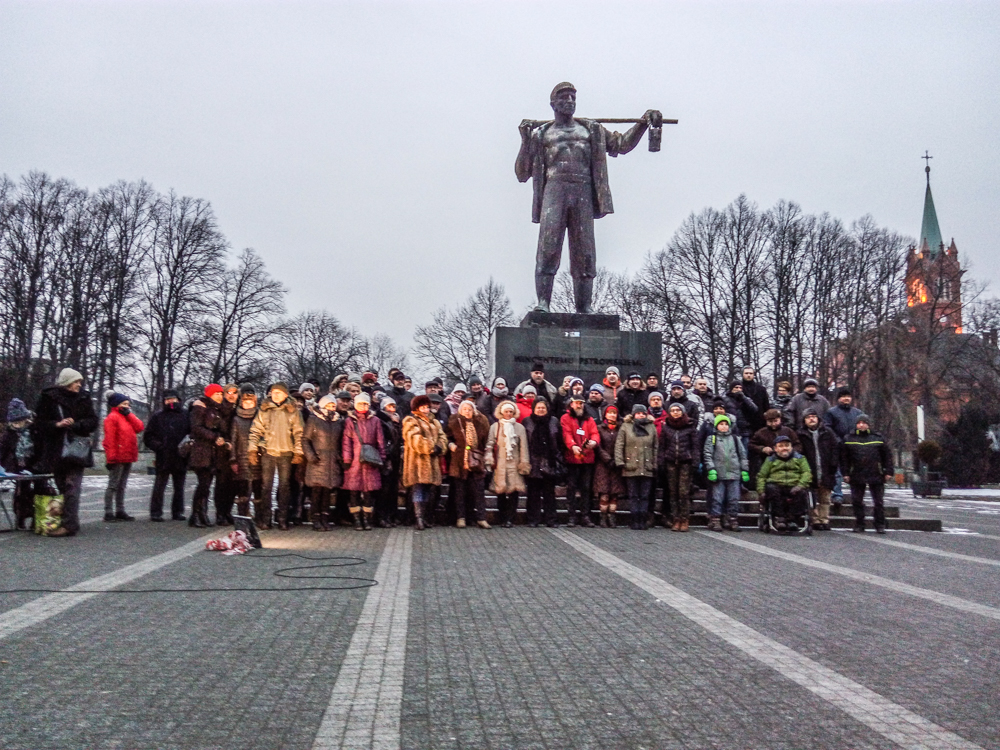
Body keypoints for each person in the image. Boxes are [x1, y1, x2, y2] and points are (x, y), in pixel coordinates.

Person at [32, 368, 98, 536]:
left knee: (72, 487)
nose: (79, 384)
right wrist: (57, 424)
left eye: (80, 382)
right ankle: (63, 520)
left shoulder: (84, 398)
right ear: (67, 382)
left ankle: (69, 525)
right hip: (55, 449)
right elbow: (39, 423)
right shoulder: (48, 398)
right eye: (76, 381)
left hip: (77, 450)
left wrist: (76, 425)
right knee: (62, 487)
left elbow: (93, 421)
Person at [248, 382, 304, 530]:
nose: (275, 395)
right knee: (266, 486)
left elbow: (299, 432)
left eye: (279, 392)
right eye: (273, 392)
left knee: (284, 486)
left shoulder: (292, 411)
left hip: (286, 452)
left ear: (286, 395)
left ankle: (282, 518)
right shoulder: (265, 410)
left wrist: (298, 451)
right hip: (268, 452)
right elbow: (255, 430)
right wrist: (252, 449)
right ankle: (266, 518)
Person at [840, 414, 894, 534]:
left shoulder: (878, 438)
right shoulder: (848, 438)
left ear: (868, 424)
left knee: (878, 501)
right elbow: (844, 458)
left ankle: (880, 524)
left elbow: (887, 456)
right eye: (859, 423)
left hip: (876, 473)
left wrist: (888, 471)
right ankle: (860, 523)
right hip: (856, 473)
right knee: (857, 501)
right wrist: (845, 473)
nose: (861, 425)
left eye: (864, 423)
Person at [402, 394, 448, 530]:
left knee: (428, 491)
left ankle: (425, 517)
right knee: (418, 490)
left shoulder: (434, 421)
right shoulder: (411, 420)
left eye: (427, 407)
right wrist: (431, 447)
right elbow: (413, 438)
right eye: (423, 407)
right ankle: (419, 518)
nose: (426, 409)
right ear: (417, 408)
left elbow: (442, 436)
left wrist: (441, 446)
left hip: (432, 463)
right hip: (417, 463)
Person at [342, 392, 386, 531]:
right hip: (355, 460)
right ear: (356, 405)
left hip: (370, 460)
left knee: (369, 492)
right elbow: (346, 442)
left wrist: (382, 457)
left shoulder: (376, 420)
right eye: (361, 403)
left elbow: (380, 441)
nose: (364, 406)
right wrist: (347, 459)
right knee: (354, 492)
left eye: (366, 403)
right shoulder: (350, 421)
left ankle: (367, 519)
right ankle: (356, 519)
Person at [144, 389, 190, 522]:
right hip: (163, 455)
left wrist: (188, 446)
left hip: (181, 455)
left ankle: (178, 512)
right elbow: (148, 436)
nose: (170, 401)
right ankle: (156, 512)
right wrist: (158, 446)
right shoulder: (157, 416)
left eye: (173, 398)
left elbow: (191, 433)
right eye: (167, 399)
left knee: (179, 486)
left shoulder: (185, 415)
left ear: (178, 399)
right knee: (159, 485)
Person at [188, 383, 230, 528]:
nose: (219, 396)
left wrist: (222, 438)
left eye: (220, 393)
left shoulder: (218, 409)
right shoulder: (201, 407)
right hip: (202, 452)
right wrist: (213, 437)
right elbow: (196, 428)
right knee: (203, 484)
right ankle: (196, 514)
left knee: (206, 485)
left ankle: (201, 514)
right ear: (209, 395)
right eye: (216, 394)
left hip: (213, 453)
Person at [485, 401, 530, 527]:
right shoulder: (495, 426)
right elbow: (490, 443)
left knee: (513, 492)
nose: (508, 414)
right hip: (499, 464)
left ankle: (510, 518)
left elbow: (524, 447)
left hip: (514, 464)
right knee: (500, 492)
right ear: (501, 412)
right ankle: (502, 517)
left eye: (511, 411)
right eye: (506, 411)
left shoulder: (520, 428)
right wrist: (489, 459)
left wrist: (524, 463)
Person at [447, 399, 491, 529]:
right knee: (460, 492)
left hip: (476, 459)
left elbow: (485, 439)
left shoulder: (481, 422)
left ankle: (481, 518)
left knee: (478, 491)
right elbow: (447, 437)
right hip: (459, 460)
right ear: (460, 410)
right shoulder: (454, 422)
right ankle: (461, 518)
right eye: (465, 409)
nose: (467, 411)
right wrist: (451, 445)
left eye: (470, 409)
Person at [302, 394, 344, 531]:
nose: (332, 408)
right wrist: (311, 455)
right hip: (317, 460)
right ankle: (316, 518)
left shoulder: (338, 421)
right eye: (329, 405)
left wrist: (339, 455)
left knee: (327, 491)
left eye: (333, 405)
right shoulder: (314, 420)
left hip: (332, 461)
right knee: (316, 490)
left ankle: (325, 518)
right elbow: (305, 439)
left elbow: (340, 441)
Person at [101, 392, 143, 522]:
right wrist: (111, 458)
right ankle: (108, 511)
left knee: (122, 485)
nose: (127, 406)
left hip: (127, 455)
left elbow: (139, 427)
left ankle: (120, 510)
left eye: (128, 404)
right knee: (113, 485)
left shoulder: (127, 417)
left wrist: (129, 414)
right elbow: (110, 440)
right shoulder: (112, 418)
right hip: (118, 457)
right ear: (116, 404)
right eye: (124, 404)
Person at [615, 403, 658, 530]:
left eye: (643, 413)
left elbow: (656, 447)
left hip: (647, 466)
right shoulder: (626, 426)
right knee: (633, 495)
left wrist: (655, 463)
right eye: (638, 413)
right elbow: (619, 445)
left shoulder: (651, 427)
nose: (641, 415)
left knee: (645, 496)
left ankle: (643, 519)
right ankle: (634, 519)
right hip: (631, 465)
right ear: (633, 414)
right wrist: (620, 462)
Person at [756, 435, 812, 532]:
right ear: (775, 448)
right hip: (776, 485)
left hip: (794, 485)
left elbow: (806, 473)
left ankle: (792, 519)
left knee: (802, 493)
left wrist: (800, 485)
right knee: (771, 489)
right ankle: (779, 518)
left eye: (787, 445)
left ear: (791, 447)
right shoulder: (770, 460)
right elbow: (761, 476)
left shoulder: (800, 458)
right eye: (781, 446)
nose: (784, 448)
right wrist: (761, 491)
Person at [703, 414, 748, 532]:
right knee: (717, 498)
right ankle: (715, 519)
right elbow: (708, 455)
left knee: (733, 498)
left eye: (726, 424)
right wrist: (711, 469)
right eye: (721, 424)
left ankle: (732, 518)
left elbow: (742, 455)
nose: (723, 427)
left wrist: (744, 470)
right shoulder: (712, 439)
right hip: (719, 472)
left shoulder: (735, 439)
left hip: (734, 472)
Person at [560, 394, 599, 527]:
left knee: (586, 488)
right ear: (571, 404)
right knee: (571, 487)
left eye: (581, 403)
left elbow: (595, 433)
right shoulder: (566, 418)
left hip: (587, 458)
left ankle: (585, 515)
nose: (579, 405)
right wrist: (572, 446)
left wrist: (594, 442)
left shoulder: (589, 419)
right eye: (577, 403)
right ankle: (572, 515)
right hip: (573, 458)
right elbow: (567, 433)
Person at [797, 409, 839, 531]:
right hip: (810, 469)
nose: (812, 419)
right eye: (809, 417)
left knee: (825, 498)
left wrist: (834, 464)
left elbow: (835, 449)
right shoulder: (801, 434)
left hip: (826, 469)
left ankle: (824, 519)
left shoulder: (828, 432)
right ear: (804, 420)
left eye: (814, 416)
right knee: (811, 497)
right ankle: (815, 520)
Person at [523, 398, 563, 527]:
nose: (541, 410)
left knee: (549, 493)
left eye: (543, 408)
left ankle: (551, 519)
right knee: (533, 493)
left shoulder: (554, 421)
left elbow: (559, 441)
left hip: (549, 461)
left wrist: (558, 457)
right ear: (534, 409)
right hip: (533, 461)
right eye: (538, 407)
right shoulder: (527, 422)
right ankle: (533, 519)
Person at [659, 403, 697, 532]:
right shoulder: (666, 427)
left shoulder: (690, 426)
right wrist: (661, 461)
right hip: (670, 462)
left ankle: (684, 518)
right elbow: (662, 446)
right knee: (673, 492)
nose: (675, 412)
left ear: (683, 411)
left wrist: (695, 461)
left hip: (685, 462)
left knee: (683, 492)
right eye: (673, 410)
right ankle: (675, 518)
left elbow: (695, 446)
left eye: (678, 410)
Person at [824, 387, 863, 510]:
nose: (846, 398)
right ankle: (837, 495)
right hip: (838, 446)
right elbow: (827, 427)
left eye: (848, 396)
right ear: (838, 398)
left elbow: (861, 428)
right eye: (843, 396)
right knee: (837, 472)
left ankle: (857, 496)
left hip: (854, 446)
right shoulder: (831, 412)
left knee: (855, 472)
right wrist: (837, 440)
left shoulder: (857, 413)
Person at [0, 398, 36, 529]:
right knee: (21, 493)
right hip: (16, 466)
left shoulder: (33, 430)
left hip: (33, 465)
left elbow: (40, 447)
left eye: (19, 421)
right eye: (14, 422)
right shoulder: (8, 433)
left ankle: (35, 516)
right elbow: (2, 450)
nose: (16, 425)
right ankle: (20, 517)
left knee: (38, 490)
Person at [229, 385, 262, 524]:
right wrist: (233, 459)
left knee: (258, 488)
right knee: (242, 490)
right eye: (245, 402)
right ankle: (243, 516)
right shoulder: (236, 420)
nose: (248, 405)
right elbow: (233, 440)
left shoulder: (259, 418)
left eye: (251, 402)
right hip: (241, 459)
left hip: (257, 459)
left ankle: (260, 516)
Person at [748, 409, 802, 487]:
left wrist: (790, 451)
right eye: (770, 422)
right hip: (770, 464)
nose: (773, 424)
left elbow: (798, 445)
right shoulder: (761, 433)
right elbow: (751, 445)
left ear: (780, 420)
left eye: (776, 421)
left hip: (790, 464)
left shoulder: (788, 431)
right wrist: (762, 449)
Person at [212, 384, 240, 526]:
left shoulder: (239, 409)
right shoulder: (219, 409)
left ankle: (228, 511)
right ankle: (220, 513)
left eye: (234, 393)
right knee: (222, 483)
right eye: (228, 392)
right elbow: (215, 427)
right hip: (222, 451)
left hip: (237, 450)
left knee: (233, 484)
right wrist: (224, 440)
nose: (231, 395)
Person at [593, 405, 625, 527]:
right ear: (605, 414)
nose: (612, 415)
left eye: (614, 413)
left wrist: (617, 460)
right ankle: (603, 516)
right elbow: (598, 446)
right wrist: (607, 459)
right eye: (609, 413)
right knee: (604, 491)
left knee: (614, 493)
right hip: (603, 464)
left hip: (617, 463)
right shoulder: (600, 428)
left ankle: (612, 516)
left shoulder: (621, 429)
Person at [376, 396, 403, 527]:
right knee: (384, 490)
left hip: (395, 457)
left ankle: (392, 515)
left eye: (393, 406)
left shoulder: (396, 420)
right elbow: (383, 441)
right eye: (389, 406)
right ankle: (382, 516)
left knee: (393, 489)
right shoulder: (381, 421)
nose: (392, 409)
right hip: (386, 458)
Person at [725, 381, 758, 451]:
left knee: (744, 452)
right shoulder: (726, 400)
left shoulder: (746, 399)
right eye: (736, 387)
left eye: (740, 388)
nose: (738, 389)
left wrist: (744, 398)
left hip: (744, 430)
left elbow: (755, 409)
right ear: (731, 389)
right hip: (731, 430)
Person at [740, 365, 770, 433]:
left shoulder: (761, 389)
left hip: (759, 422)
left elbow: (766, 406)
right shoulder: (738, 388)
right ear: (742, 374)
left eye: (751, 373)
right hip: (743, 422)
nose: (748, 375)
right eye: (746, 373)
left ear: (753, 375)